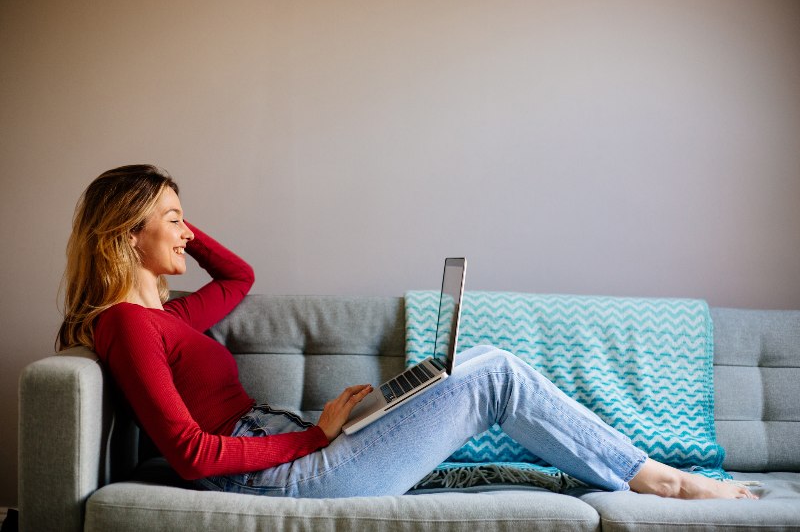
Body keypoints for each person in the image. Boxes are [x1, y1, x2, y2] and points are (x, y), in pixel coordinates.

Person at [58, 164, 756, 500]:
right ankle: (657, 479)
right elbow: (188, 453)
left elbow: (239, 277)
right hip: (288, 472)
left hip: (285, 446)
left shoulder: (164, 316)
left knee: (478, 358)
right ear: (126, 233)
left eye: (185, 217)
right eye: (173, 219)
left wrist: (169, 212)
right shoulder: (126, 323)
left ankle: (636, 470)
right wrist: (315, 437)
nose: (185, 231)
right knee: (499, 376)